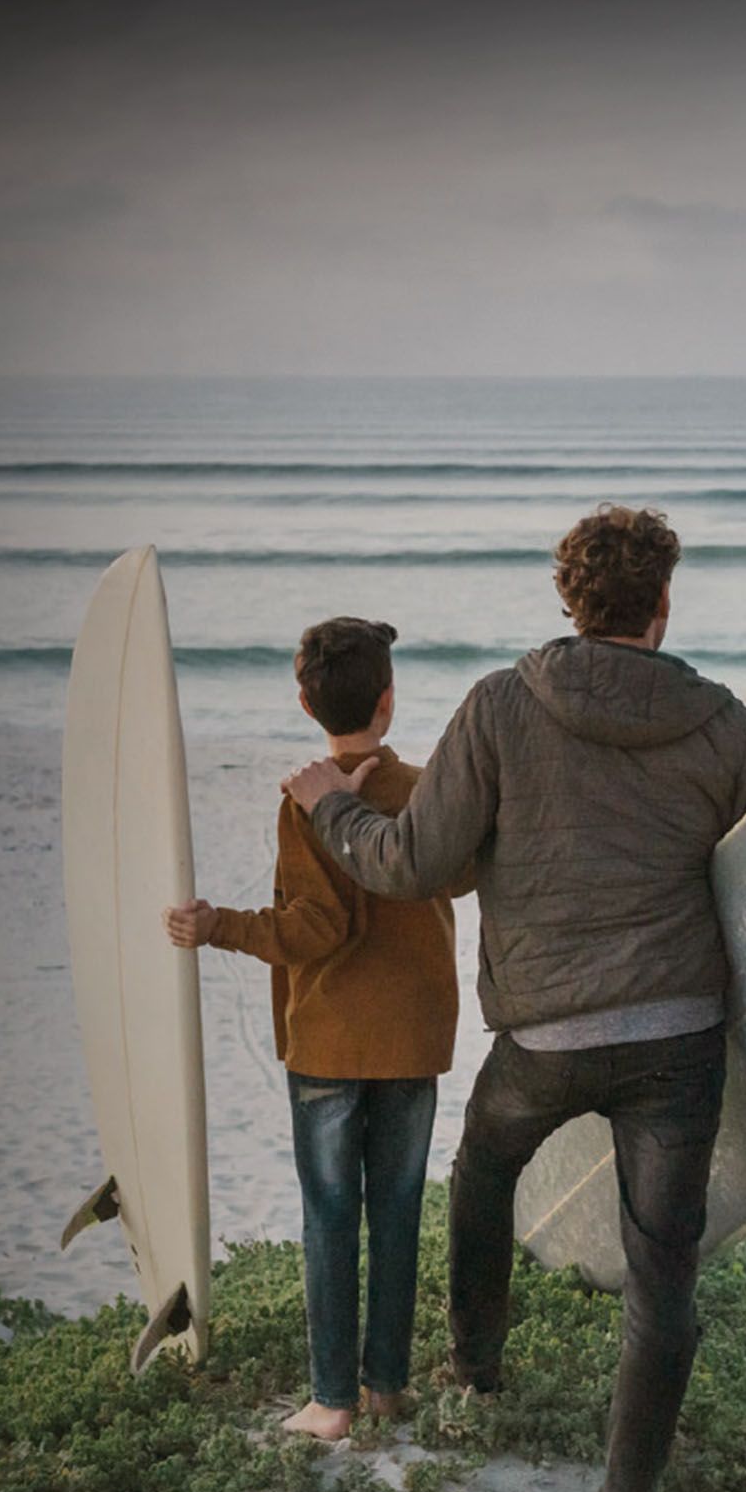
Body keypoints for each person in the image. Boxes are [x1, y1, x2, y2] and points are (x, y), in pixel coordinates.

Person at [278, 508, 746, 1492]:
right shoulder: (724, 725)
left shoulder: (500, 707)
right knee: (661, 1276)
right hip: (677, 1040)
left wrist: (329, 812)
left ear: (569, 601)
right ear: (663, 606)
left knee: (483, 1168)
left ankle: (475, 1369)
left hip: (543, 1035)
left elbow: (411, 862)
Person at [165, 618, 459, 1442]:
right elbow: (465, 871)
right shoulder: (431, 789)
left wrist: (218, 924)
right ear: (391, 701)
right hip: (412, 1040)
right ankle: (386, 1391)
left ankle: (331, 1401)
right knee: (397, 1209)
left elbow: (312, 931)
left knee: (332, 1214)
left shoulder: (307, 802)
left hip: (329, 1042)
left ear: (304, 702)